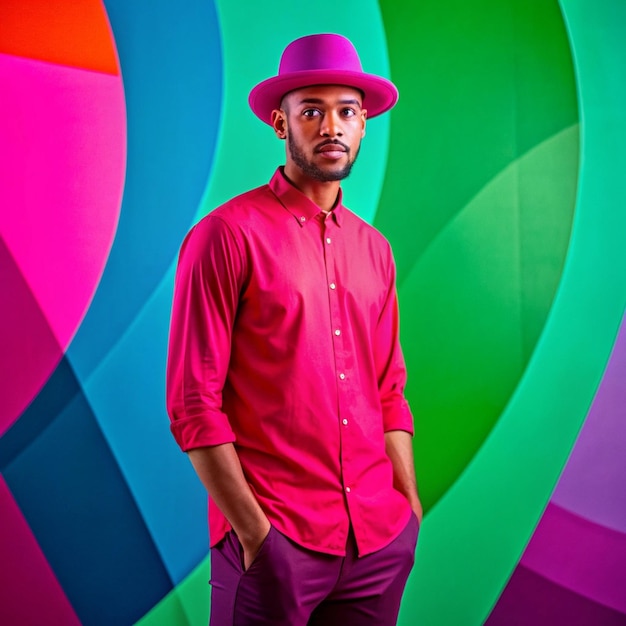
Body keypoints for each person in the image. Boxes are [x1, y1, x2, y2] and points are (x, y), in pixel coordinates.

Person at [166, 33, 422, 626]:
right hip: (275, 543)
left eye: (347, 111)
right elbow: (192, 404)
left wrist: (406, 510)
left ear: (363, 125)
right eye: (312, 110)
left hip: (378, 545)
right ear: (281, 125)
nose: (331, 125)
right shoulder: (226, 237)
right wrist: (256, 534)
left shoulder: (376, 251)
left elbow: (389, 392)